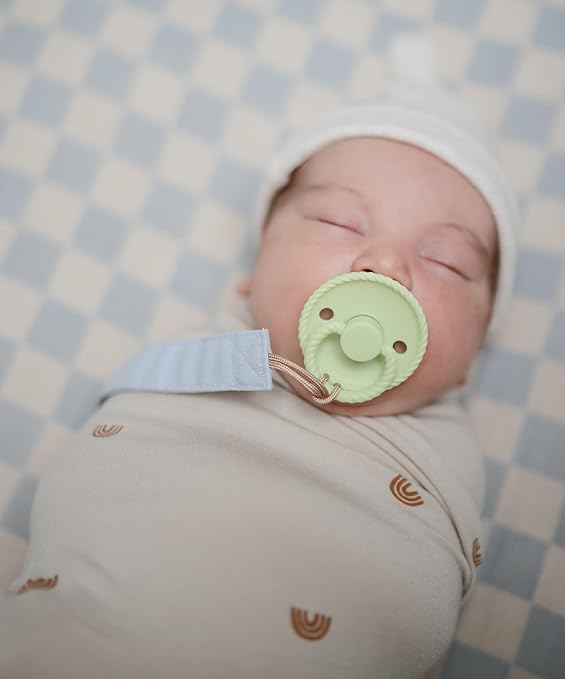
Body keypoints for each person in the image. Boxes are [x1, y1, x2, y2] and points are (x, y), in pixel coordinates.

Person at [0, 36, 517, 679]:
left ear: (471, 359)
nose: (385, 264)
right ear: (254, 271)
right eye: (339, 222)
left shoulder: (444, 447)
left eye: (446, 261)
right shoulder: (198, 358)